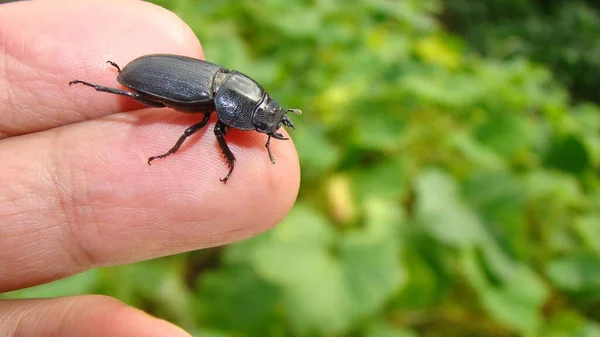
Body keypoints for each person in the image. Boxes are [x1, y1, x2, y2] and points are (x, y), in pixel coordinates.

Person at [0, 0, 300, 336]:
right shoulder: (213, 103)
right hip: (148, 75)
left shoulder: (226, 82)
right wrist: (192, 156)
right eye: (261, 120)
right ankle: (99, 86)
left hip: (165, 71)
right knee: (156, 105)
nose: (266, 126)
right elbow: (209, 131)